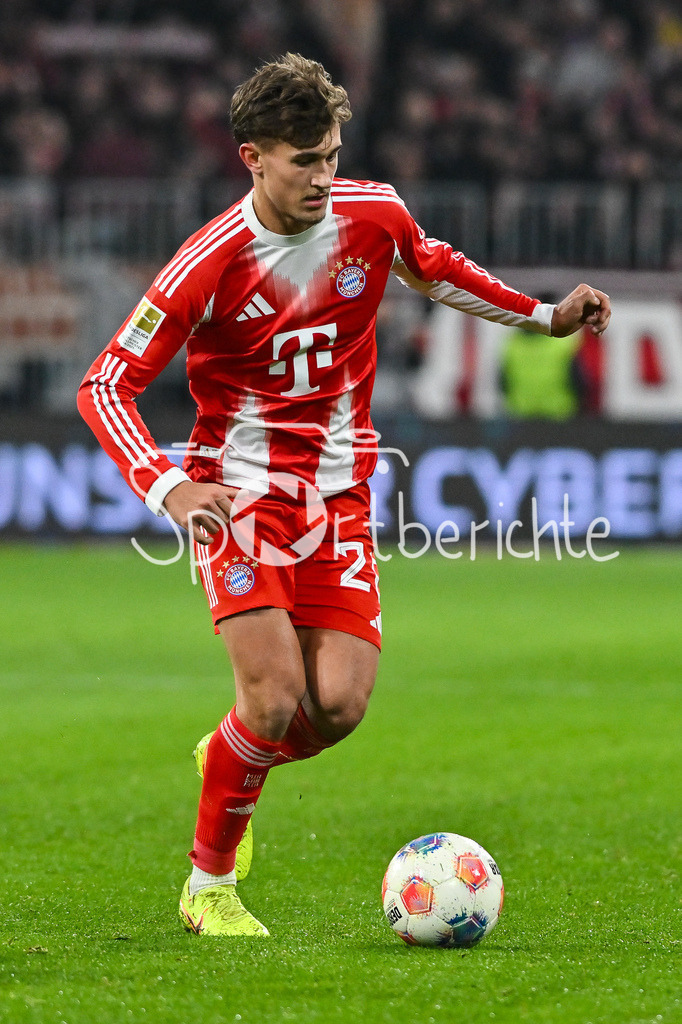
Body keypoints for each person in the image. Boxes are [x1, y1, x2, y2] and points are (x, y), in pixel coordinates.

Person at [77, 53, 611, 938]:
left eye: (331, 155)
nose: (324, 177)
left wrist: (544, 317)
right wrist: (169, 485)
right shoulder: (208, 262)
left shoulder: (374, 214)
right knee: (275, 692)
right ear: (252, 156)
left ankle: (225, 759)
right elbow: (105, 385)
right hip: (239, 498)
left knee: (341, 707)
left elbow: (439, 271)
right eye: (303, 161)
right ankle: (208, 887)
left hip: (340, 494)